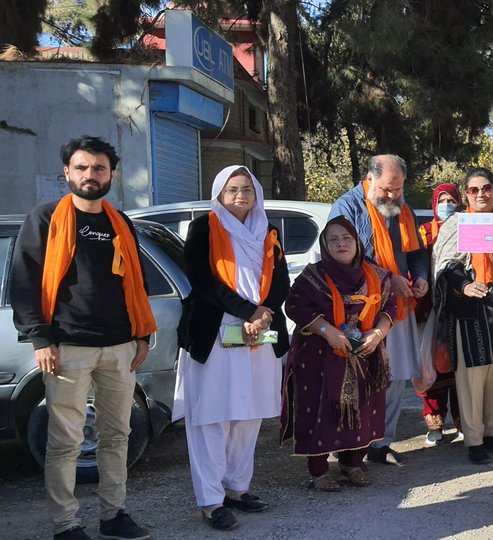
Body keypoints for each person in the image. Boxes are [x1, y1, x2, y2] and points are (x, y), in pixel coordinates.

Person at [11, 136, 154, 540]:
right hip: (67, 347)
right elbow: (23, 282)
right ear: (67, 173)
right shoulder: (44, 219)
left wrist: (142, 334)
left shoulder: (120, 222)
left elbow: (136, 281)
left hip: (120, 346)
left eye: (99, 168)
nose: (90, 175)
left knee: (117, 436)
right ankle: (66, 524)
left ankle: (114, 515)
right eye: (82, 167)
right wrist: (40, 338)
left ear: (111, 175)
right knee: (65, 441)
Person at [174, 166, 290, 530]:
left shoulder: (267, 230)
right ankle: (210, 501)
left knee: (248, 415)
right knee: (212, 417)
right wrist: (247, 311)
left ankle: (237, 489)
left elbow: (280, 279)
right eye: (233, 189)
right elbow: (202, 281)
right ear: (219, 194)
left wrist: (263, 313)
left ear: (257, 194)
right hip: (216, 331)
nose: (241, 196)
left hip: (259, 332)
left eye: (247, 189)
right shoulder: (203, 228)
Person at [281, 217, 396, 491]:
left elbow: (389, 307)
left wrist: (377, 333)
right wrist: (327, 330)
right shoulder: (313, 277)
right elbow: (294, 306)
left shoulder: (377, 276)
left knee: (363, 408)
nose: (341, 244)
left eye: (346, 238)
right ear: (325, 245)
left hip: (364, 353)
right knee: (320, 408)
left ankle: (352, 463)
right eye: (333, 239)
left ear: (357, 242)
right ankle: (319, 471)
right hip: (319, 356)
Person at [328, 154, 429, 465]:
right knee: (358, 377)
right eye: (387, 189)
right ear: (369, 179)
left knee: (394, 375)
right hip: (359, 309)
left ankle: (380, 444)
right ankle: (350, 446)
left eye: (398, 189)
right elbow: (342, 256)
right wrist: (388, 277)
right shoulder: (347, 207)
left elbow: (417, 253)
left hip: (398, 306)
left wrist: (421, 277)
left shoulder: (404, 209)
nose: (393, 196)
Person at [430, 167, 493, 464]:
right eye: (474, 190)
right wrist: (465, 285)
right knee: (472, 378)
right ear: (466, 194)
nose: (481, 194)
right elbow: (446, 265)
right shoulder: (457, 224)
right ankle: (474, 439)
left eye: (486, 188)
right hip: (470, 308)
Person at [415, 182, 463, 446]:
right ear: (434, 204)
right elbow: (417, 264)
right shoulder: (423, 232)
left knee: (459, 367)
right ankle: (435, 423)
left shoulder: (465, 227)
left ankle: (462, 421)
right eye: (442, 200)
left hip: (460, 305)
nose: (446, 205)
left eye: (451, 200)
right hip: (431, 306)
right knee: (432, 363)